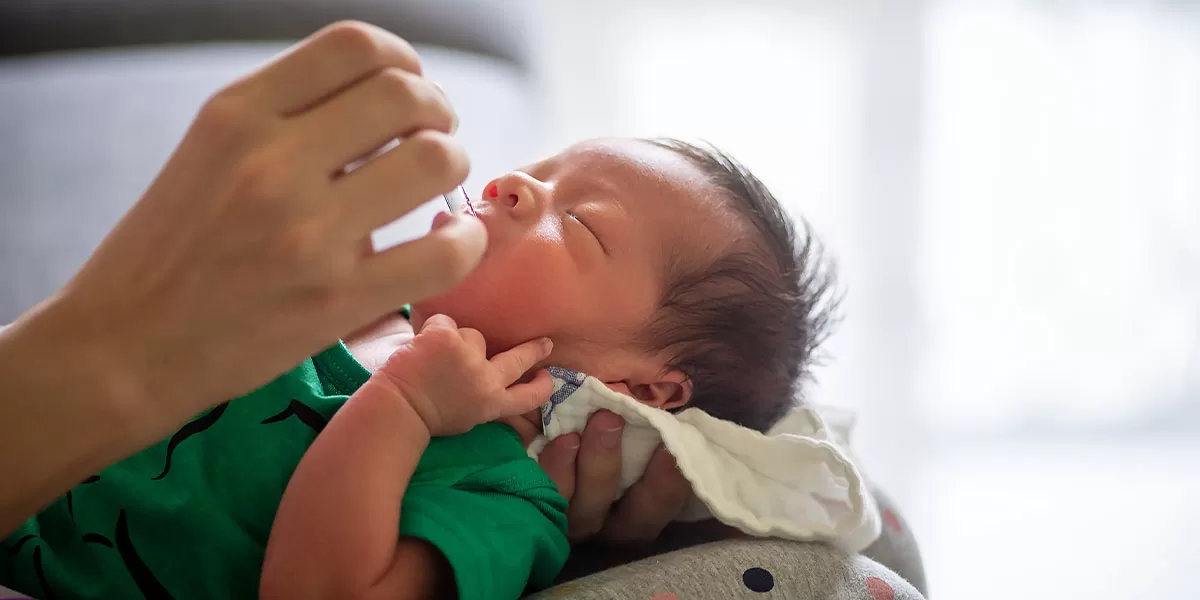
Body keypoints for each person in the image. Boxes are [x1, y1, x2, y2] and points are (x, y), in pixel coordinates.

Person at [1, 129, 836, 598]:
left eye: (577, 223)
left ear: (637, 388)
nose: (513, 182)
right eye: (542, 170)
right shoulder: (389, 318)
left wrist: (402, 409)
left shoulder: (502, 495)